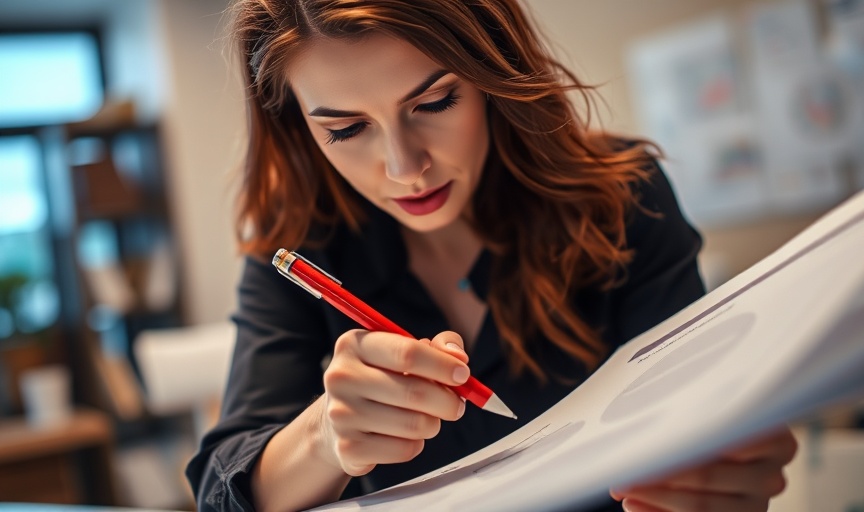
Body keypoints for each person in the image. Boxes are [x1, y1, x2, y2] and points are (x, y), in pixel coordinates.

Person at [186, 1, 798, 511]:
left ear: (491, 71)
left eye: (434, 103)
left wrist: (723, 469)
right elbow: (219, 487)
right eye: (345, 130)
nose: (406, 169)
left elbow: (701, 424)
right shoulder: (299, 250)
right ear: (299, 127)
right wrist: (325, 437)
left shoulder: (623, 199)